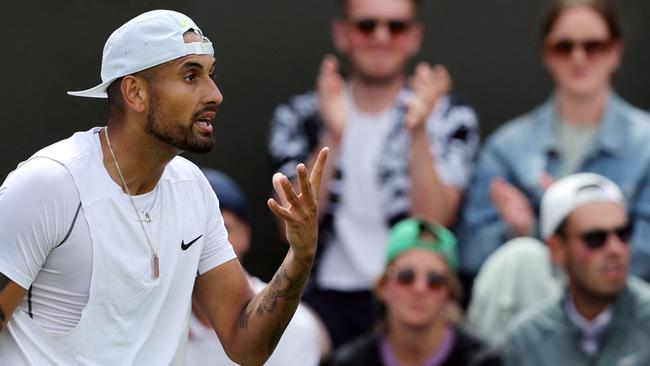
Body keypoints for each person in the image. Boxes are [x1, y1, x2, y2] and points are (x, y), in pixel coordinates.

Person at [0, 10, 328, 365]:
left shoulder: (192, 188)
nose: (215, 94)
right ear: (135, 93)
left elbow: (245, 344)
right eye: (191, 76)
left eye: (211, 75)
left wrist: (300, 257)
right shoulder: (49, 184)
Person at [268, 0, 479, 346]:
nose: (381, 36)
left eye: (395, 27)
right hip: (326, 298)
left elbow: (432, 223)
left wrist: (419, 131)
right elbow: (288, 225)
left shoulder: (449, 117)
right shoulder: (302, 115)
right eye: (367, 25)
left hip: (414, 290)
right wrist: (333, 135)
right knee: (293, 342)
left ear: (414, 37)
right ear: (342, 33)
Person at [456, 0, 650, 285]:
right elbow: (471, 253)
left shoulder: (645, 144)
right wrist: (517, 232)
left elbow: (644, 258)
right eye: (564, 46)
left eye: (593, 46)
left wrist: (552, 228)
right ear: (546, 53)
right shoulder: (508, 148)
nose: (578, 57)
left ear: (616, 51)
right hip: (529, 309)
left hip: (621, 312)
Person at [185, 168, 331, 365]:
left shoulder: (296, 326)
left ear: (246, 235)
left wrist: (300, 255)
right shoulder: (155, 322)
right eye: (194, 230)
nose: (206, 242)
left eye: (221, 229)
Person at [504, 173, 650, 365]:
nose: (615, 249)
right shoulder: (527, 339)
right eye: (595, 238)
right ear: (557, 248)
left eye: (623, 234)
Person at [331, 218, 501, 366]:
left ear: (449, 293)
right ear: (383, 287)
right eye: (406, 276)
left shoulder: (482, 361)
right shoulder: (351, 362)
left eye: (434, 280)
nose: (420, 289)